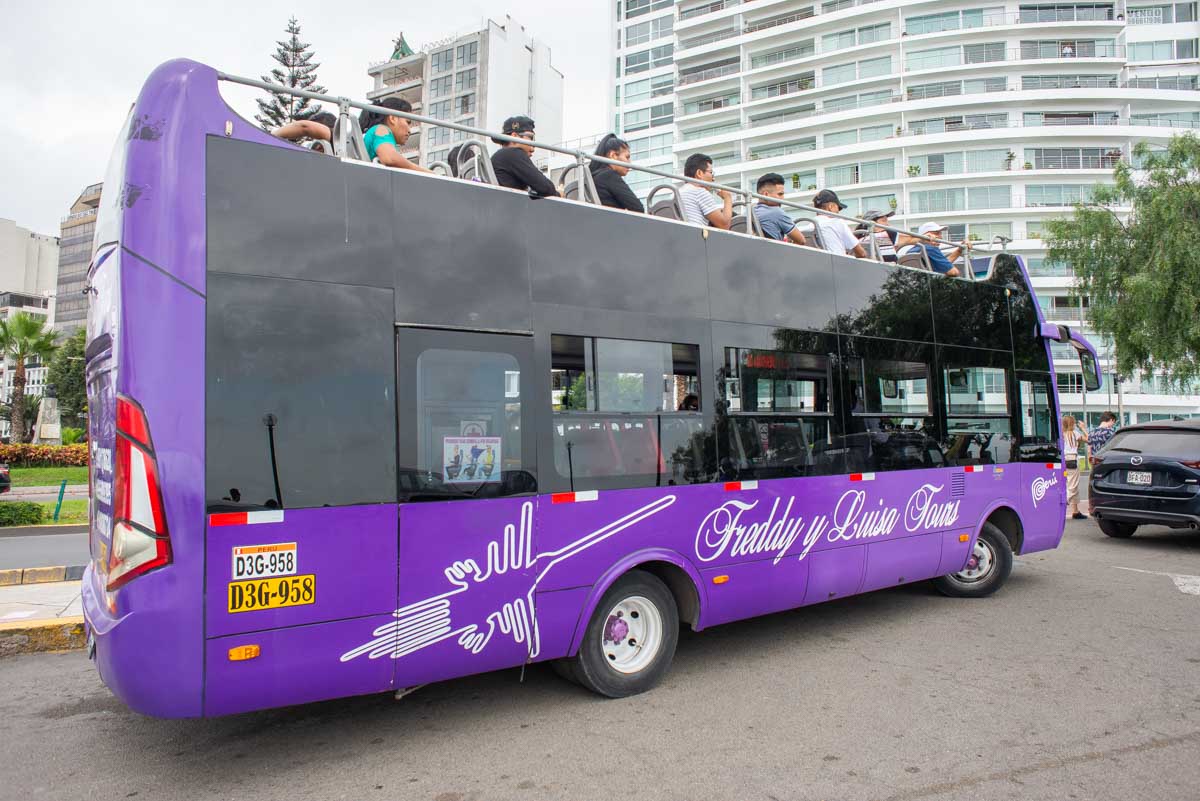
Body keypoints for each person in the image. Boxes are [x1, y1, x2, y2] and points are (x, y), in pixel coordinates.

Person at [490, 116, 559, 196]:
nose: (532, 149)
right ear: (514, 137)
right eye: (531, 138)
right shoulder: (513, 154)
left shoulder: (501, 157)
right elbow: (546, 188)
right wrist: (559, 194)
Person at [359, 97, 432, 173]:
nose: (409, 130)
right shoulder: (382, 129)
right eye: (408, 122)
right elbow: (390, 159)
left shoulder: (374, 131)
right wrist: (427, 173)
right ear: (392, 118)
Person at [589, 134, 644, 212]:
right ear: (613, 155)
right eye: (627, 157)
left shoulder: (593, 177)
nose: (630, 163)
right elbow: (638, 208)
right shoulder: (608, 175)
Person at [680, 153, 733, 229]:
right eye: (711, 173)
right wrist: (728, 198)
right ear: (699, 173)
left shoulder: (676, 193)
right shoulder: (699, 192)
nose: (713, 178)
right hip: (696, 237)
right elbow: (724, 225)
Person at [753, 173, 807, 245]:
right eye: (780, 194)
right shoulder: (776, 212)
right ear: (766, 194)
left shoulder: (748, 212)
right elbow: (801, 241)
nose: (783, 198)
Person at [812, 189, 868, 258]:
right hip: (838, 265)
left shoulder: (810, 226)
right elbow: (861, 253)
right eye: (838, 208)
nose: (838, 212)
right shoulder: (837, 222)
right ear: (831, 207)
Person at [1063, 414, 1088, 519]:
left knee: (1072, 485)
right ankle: (1062, 502)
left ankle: (1075, 511)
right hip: (1073, 460)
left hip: (1064, 460)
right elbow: (1088, 439)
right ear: (1072, 424)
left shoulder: (1062, 434)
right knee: (1072, 486)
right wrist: (1083, 428)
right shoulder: (1075, 433)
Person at [272, 111, 336, 152]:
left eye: (317, 138)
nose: (316, 147)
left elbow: (304, 127)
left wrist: (270, 137)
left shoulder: (336, 139)